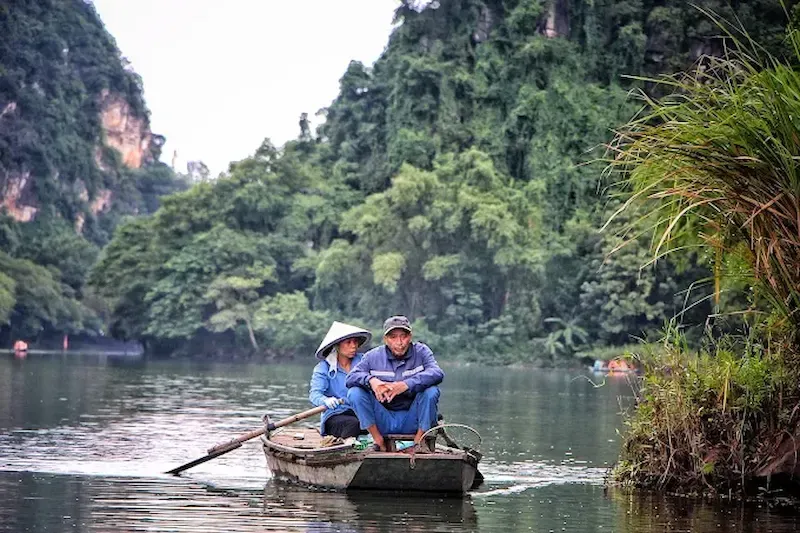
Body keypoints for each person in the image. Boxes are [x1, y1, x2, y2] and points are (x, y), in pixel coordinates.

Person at [346, 315, 443, 451]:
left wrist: (405, 385)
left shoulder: (421, 352)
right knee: (354, 393)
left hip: (413, 420)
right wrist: (372, 381)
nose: (399, 342)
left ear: (410, 337)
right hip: (383, 420)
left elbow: (437, 373)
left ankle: (418, 442)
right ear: (386, 339)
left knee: (431, 391)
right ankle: (378, 440)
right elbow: (351, 378)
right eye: (393, 337)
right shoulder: (372, 356)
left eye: (403, 336)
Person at [309, 321, 372, 438]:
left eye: (355, 342)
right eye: (348, 342)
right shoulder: (323, 368)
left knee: (375, 424)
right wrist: (325, 400)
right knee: (354, 425)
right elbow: (314, 394)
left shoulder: (363, 361)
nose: (353, 346)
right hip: (336, 414)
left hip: (361, 412)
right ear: (337, 345)